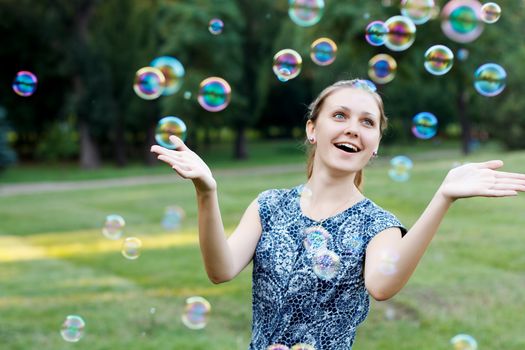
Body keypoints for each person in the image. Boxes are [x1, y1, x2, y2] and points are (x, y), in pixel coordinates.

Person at [150, 79, 525, 350]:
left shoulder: (378, 225)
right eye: (340, 115)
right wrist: (206, 191)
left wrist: (442, 197)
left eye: (367, 122)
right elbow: (220, 270)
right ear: (313, 129)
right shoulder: (269, 205)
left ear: (376, 143)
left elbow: (382, 287)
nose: (353, 129)